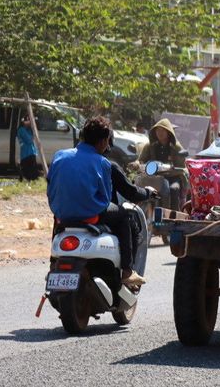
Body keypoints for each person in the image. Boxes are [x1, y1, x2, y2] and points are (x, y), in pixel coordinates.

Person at [46, 117, 155, 288]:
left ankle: (53, 264)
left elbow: (50, 183)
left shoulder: (59, 155)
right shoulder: (103, 163)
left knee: (57, 220)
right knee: (124, 216)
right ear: (104, 141)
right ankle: (127, 271)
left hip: (62, 213)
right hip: (91, 214)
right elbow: (105, 197)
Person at [138, 118, 188, 202]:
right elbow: (141, 160)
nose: (160, 133)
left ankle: (173, 210)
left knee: (173, 189)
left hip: (172, 177)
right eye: (157, 130)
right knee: (140, 190)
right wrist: (136, 164)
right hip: (153, 177)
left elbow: (181, 167)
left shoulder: (176, 147)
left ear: (168, 132)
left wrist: (171, 170)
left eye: (163, 130)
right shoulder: (150, 145)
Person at [17, 115, 42, 181]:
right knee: (28, 172)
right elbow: (29, 140)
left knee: (33, 171)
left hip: (31, 152)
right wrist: (33, 136)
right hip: (26, 154)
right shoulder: (21, 130)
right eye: (29, 121)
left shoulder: (29, 130)